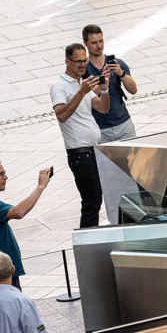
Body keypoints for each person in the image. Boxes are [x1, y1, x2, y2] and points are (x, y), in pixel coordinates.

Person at [51, 43, 110, 229]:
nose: (83, 65)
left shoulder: (81, 83)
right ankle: (87, 240)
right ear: (67, 61)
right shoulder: (60, 86)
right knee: (91, 202)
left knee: (96, 199)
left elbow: (102, 107)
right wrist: (82, 91)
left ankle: (91, 237)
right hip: (81, 154)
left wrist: (105, 90)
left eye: (85, 60)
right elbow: (61, 115)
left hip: (94, 150)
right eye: (78, 61)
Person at [0, 158, 50, 291]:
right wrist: (40, 187)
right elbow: (19, 212)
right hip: (0, 278)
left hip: (0, 276)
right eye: (1, 174)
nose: (5, 177)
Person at [82, 24, 138, 142]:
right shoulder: (83, 70)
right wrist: (102, 81)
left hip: (124, 124)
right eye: (94, 43)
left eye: (101, 41)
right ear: (85, 43)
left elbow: (133, 90)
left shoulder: (117, 64)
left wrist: (120, 73)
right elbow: (84, 99)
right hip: (100, 129)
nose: (99, 46)